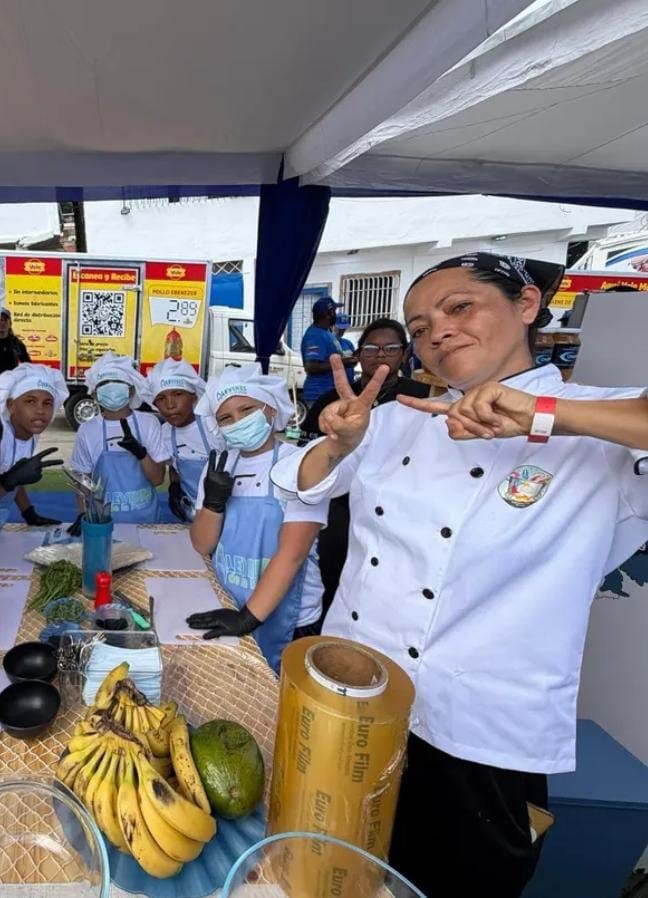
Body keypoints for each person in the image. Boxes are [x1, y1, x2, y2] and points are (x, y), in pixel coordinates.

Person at [271, 252, 648, 898]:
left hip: (480, 733)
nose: (437, 332)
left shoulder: (598, 420)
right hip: (356, 700)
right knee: (328, 872)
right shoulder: (397, 417)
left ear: (526, 305)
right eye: (419, 327)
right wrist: (337, 444)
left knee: (460, 882)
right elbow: (300, 487)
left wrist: (541, 413)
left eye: (459, 307)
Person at [185, 363, 329, 673]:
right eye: (225, 418)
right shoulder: (219, 465)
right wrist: (212, 504)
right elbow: (201, 544)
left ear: (271, 409)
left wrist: (247, 618)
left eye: (247, 409)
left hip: (290, 618)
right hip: (228, 604)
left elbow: (293, 554)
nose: (237, 421)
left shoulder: (299, 463)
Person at [300, 318, 431, 611]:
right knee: (332, 579)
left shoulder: (422, 399)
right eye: (371, 348)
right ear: (358, 354)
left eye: (391, 348)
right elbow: (306, 459)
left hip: (400, 512)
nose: (380, 354)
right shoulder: (331, 400)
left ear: (405, 354)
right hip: (338, 509)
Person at [69, 352, 166, 527]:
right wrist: (83, 513)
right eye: (104, 383)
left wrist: (141, 453)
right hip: (103, 524)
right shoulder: (88, 430)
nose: (111, 388)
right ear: (95, 393)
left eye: (117, 382)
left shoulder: (149, 423)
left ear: (131, 390)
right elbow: (83, 478)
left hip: (146, 521)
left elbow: (158, 479)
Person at [148, 358, 224, 522]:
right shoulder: (165, 433)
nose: (170, 405)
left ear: (194, 396)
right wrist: (174, 486)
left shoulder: (213, 426)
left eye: (178, 394)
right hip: (192, 513)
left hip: (226, 512)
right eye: (161, 398)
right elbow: (174, 466)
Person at [0, 363, 66, 529]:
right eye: (30, 401)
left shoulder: (30, 436)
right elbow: (12, 478)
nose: (40, 410)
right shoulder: (1, 435)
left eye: (47, 403)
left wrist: (29, 513)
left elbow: (15, 476)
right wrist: (9, 481)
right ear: (11, 405)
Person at [300, 297, 355, 404]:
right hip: (319, 394)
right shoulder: (315, 335)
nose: (336, 314)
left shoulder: (326, 332)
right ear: (329, 314)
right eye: (334, 311)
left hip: (330, 393)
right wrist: (343, 363)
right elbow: (311, 367)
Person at [0, 307, 30, 374]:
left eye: (5, 320)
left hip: (11, 380)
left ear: (10, 324)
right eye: (0, 320)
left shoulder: (17, 343)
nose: (2, 323)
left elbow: (28, 366)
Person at [334, 312, 356, 385]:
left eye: (344, 328)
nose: (342, 330)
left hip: (350, 383)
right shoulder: (328, 343)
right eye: (340, 328)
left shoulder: (348, 343)